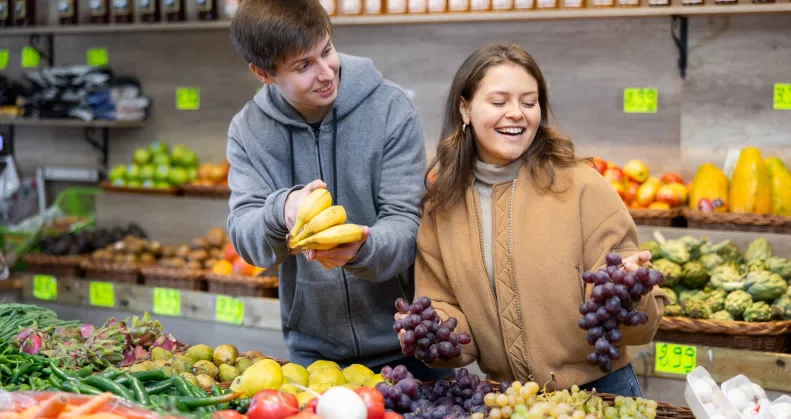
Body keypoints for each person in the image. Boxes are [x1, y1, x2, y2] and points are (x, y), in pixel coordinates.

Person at [404, 43, 668, 395]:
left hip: (602, 393)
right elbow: (449, 320)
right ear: (464, 108)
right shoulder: (442, 208)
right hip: (511, 401)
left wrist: (629, 292)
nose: (516, 113)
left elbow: (638, 326)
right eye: (499, 102)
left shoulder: (581, 186)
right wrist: (430, 332)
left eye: (529, 102)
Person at [225, 0, 453, 381]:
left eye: (326, 50)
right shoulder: (248, 130)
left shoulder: (390, 109)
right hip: (314, 356)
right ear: (263, 73)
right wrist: (281, 210)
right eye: (303, 66)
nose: (326, 71)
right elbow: (247, 241)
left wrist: (363, 250)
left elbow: (407, 223)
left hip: (412, 346)